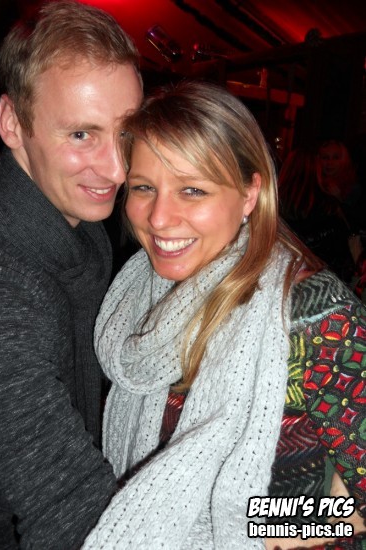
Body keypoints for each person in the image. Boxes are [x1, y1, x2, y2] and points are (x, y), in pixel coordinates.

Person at [82, 81, 366, 549]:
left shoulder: (312, 316)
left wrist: (259, 531)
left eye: (193, 189)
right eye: (144, 187)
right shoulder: (136, 296)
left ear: (250, 194)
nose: (158, 218)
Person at [0, 1, 142, 548]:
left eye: (126, 131)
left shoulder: (79, 228)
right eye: (81, 135)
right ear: (11, 123)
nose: (117, 168)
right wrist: (276, 524)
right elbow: (77, 514)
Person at [278, 147, 359, 285]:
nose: (329, 163)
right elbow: (341, 257)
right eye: (325, 158)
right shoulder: (329, 206)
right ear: (317, 170)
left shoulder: (272, 203)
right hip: (320, 283)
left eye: (335, 157)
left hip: (281, 278)